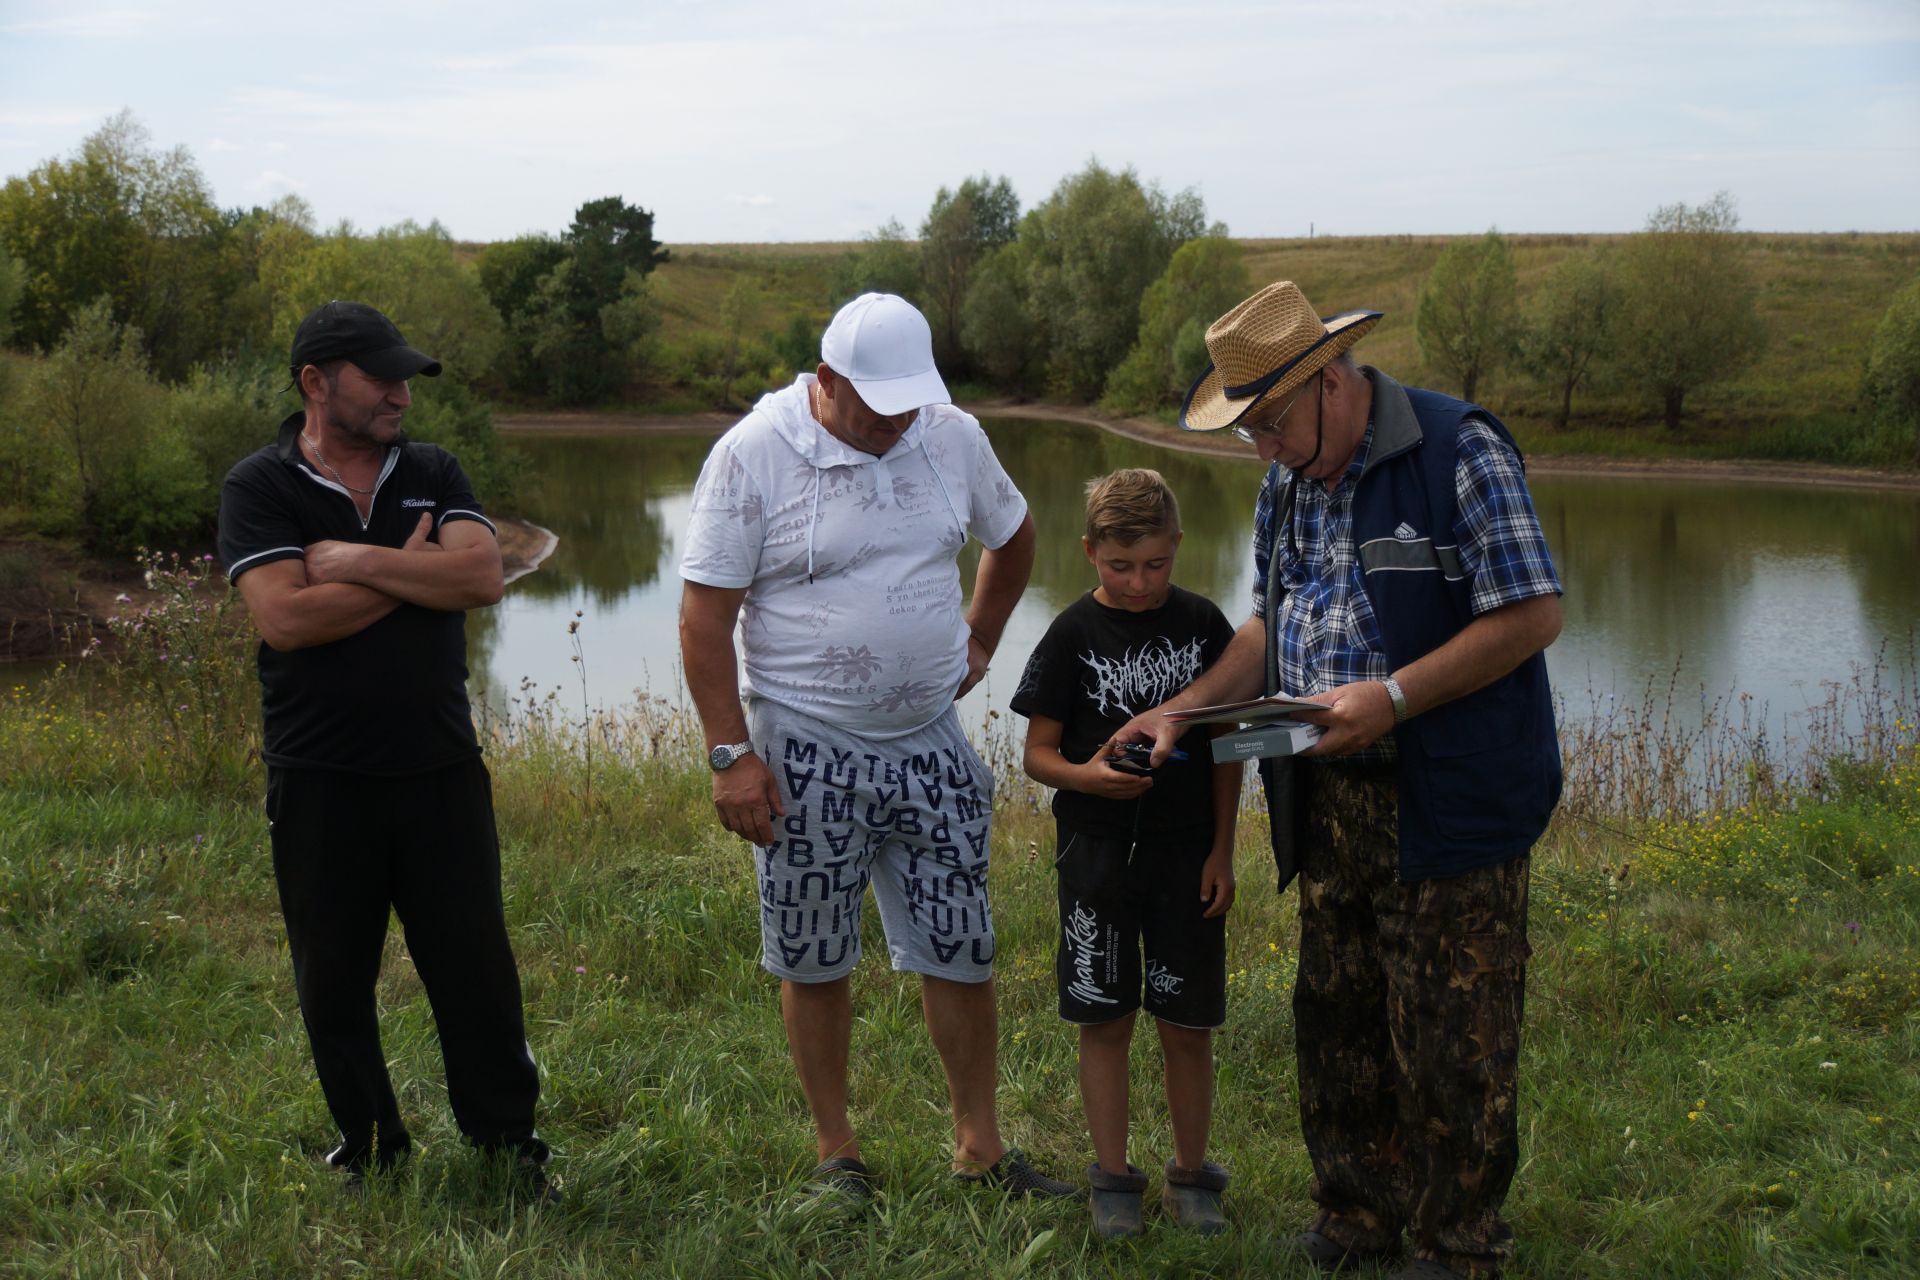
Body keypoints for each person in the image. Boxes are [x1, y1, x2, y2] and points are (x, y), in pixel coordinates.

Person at [1113, 281, 1563, 1279]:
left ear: (1329, 379)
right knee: (1340, 1020)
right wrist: (1184, 708)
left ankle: (1459, 1248)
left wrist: (1394, 697)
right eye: (1249, 432)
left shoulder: (1459, 450)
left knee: (1455, 1036)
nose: (1263, 449)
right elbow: (1270, 626)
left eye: (1271, 421)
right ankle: (1357, 1224)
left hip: (1453, 792)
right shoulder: (1287, 482)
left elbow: (1533, 614)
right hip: (1330, 795)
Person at [677, 292, 1069, 1205]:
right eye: (876, 405)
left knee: (961, 942)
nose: (896, 423)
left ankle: (980, 1147)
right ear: (826, 382)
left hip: (930, 736)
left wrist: (977, 641)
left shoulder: (950, 434)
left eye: (909, 402)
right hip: (806, 742)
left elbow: (1013, 543)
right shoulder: (753, 455)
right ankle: (837, 1154)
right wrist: (730, 753)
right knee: (815, 952)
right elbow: (705, 616)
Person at [217, 301, 554, 1198]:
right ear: (316, 384)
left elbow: (482, 575)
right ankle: (369, 1146)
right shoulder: (261, 486)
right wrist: (415, 574)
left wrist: (355, 562)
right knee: (333, 976)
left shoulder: (434, 469)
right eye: (381, 377)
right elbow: (286, 618)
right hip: (319, 774)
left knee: (475, 968)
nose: (402, 393)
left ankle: (507, 1146)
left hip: (439, 768)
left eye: (407, 377)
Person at [1010, 468, 1241, 1240]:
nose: (1139, 583)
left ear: (1179, 545)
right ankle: (1113, 1178)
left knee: (1186, 1023)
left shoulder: (1208, 628)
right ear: (1088, 552)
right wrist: (1089, 780)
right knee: (1103, 1019)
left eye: (1155, 564)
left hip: (1185, 859)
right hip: (1096, 855)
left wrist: (1222, 851)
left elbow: (1227, 753)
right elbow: (1037, 753)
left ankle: (1190, 1174)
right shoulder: (1071, 633)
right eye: (1120, 566)